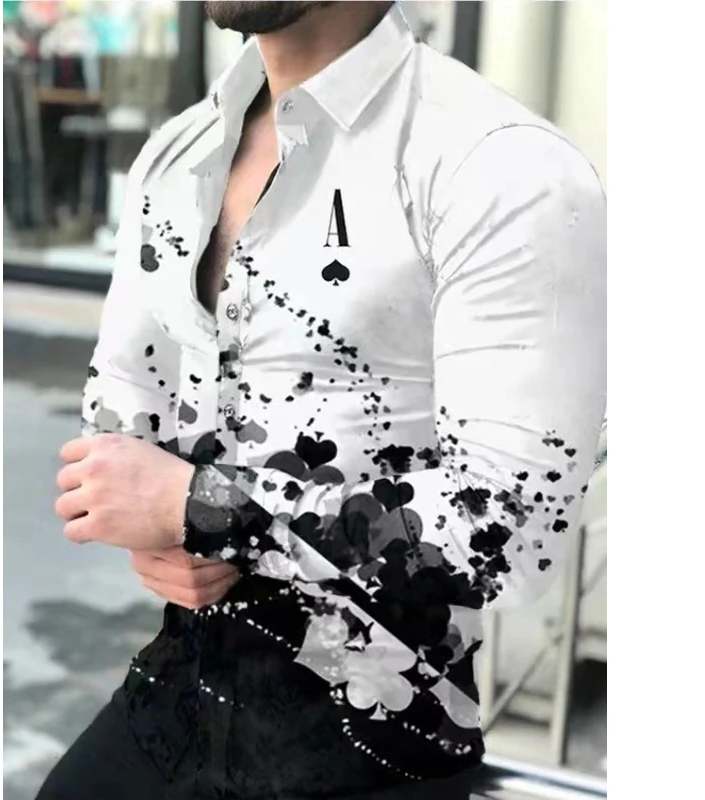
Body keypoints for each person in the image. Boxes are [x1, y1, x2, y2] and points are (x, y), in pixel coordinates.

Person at [40, 1, 607, 798]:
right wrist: (154, 528)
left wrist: (203, 509)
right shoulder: (179, 153)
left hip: (375, 747)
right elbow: (124, 413)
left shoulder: (500, 166)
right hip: (176, 700)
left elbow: (508, 530)